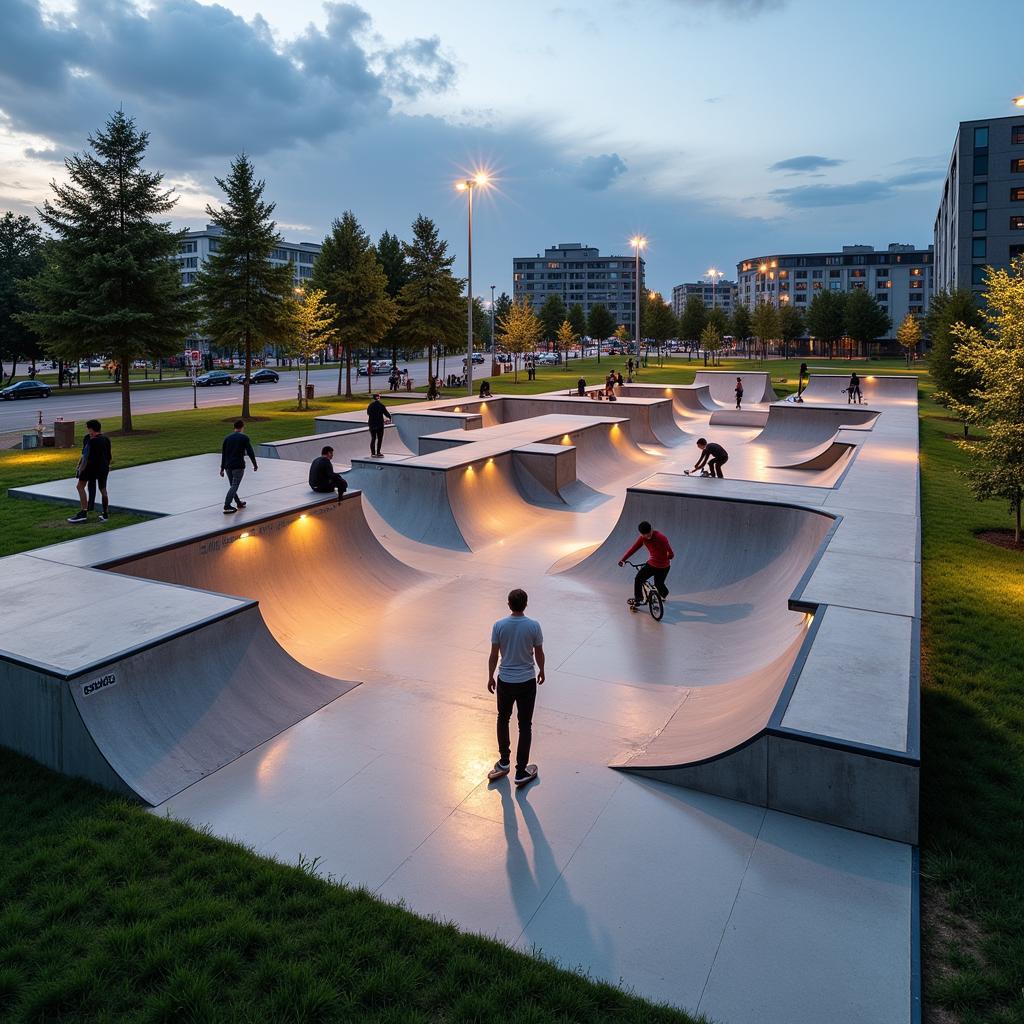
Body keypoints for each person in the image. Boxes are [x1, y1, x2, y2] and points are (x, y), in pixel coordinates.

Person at [486, 588, 544, 787]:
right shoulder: (534, 626)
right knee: (525, 725)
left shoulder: (499, 625)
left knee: (503, 718)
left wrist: (490, 676)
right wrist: (542, 671)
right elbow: (539, 653)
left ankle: (503, 763)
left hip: (506, 681)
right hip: (527, 681)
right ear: (525, 604)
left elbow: (494, 654)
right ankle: (520, 771)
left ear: (509, 604)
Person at [618, 520, 674, 611]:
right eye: (645, 535)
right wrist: (623, 559)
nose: (648, 536)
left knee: (639, 579)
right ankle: (661, 595)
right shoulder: (642, 538)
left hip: (660, 566)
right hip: (660, 565)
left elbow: (670, 551)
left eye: (649, 533)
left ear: (651, 529)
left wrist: (670, 555)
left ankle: (639, 598)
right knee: (658, 584)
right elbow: (633, 549)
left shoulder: (661, 537)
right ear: (641, 534)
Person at [67, 419, 112, 524]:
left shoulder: (90, 440)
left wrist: (79, 468)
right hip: (103, 468)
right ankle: (105, 514)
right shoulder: (106, 439)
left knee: (80, 486)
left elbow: (85, 457)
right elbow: (109, 455)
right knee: (103, 490)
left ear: (91, 429)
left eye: (88, 428)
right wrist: (107, 465)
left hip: (90, 467)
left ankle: (83, 512)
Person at [220, 419, 258, 514]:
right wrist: (255, 464)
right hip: (238, 466)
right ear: (242, 427)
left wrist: (222, 468)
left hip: (228, 466)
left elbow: (224, 454)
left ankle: (238, 503)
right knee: (235, 485)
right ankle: (227, 505)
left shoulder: (227, 438)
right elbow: (250, 452)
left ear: (234, 427)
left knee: (233, 485)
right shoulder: (244, 437)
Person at [367, 392, 392, 457]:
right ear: (378, 398)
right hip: (379, 424)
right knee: (380, 438)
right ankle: (378, 452)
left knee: (373, 438)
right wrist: (390, 417)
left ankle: (373, 453)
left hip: (372, 424)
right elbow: (386, 413)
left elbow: (368, 413)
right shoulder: (381, 405)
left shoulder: (370, 405)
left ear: (373, 398)